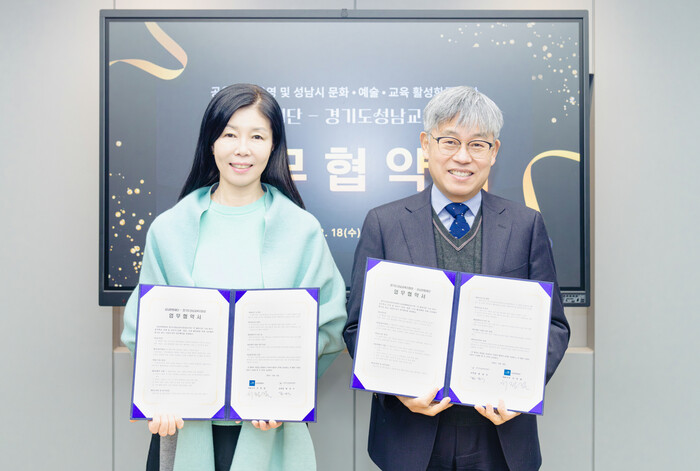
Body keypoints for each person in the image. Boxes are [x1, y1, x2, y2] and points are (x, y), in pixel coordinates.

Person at [121, 83, 347, 471]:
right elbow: (142, 328)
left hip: (269, 429)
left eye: (257, 136)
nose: (242, 149)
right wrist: (159, 394)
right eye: (229, 135)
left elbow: (328, 325)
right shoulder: (169, 229)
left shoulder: (301, 230)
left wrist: (286, 391)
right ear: (211, 142)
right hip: (185, 427)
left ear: (274, 146)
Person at [343, 86, 570, 471]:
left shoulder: (525, 224)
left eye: (477, 144)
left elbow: (555, 326)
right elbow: (357, 327)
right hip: (410, 434)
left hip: (498, 436)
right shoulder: (384, 223)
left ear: (494, 152)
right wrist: (397, 390)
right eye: (449, 141)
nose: (463, 157)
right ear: (426, 144)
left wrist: (521, 389)